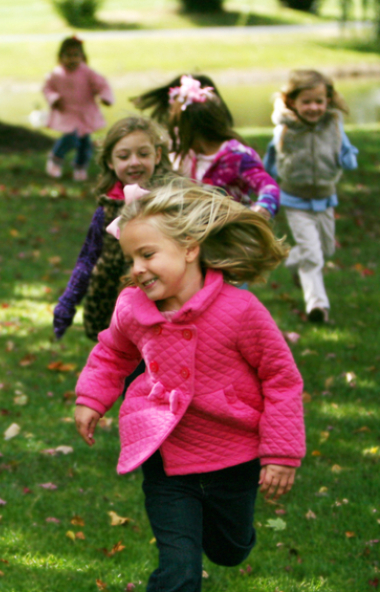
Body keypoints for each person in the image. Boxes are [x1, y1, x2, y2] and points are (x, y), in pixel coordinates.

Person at [73, 181, 305, 592]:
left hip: (232, 456)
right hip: (165, 454)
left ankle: (232, 535)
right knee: (179, 568)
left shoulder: (240, 311)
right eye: (131, 258)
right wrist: (92, 397)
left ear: (190, 248)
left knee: (229, 550)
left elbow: (280, 378)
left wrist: (281, 451)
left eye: (148, 254)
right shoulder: (132, 306)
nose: (138, 268)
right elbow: (112, 353)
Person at [54, 117, 174, 341]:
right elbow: (88, 257)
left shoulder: (170, 200)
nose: (134, 162)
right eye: (123, 156)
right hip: (110, 307)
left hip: (160, 308)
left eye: (144, 154)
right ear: (110, 161)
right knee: (116, 369)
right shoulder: (107, 206)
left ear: (157, 156)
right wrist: (68, 301)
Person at [263, 69, 358, 324]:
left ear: (328, 101)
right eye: (307, 102)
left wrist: (348, 158)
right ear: (293, 101)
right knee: (314, 256)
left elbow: (344, 146)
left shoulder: (333, 124)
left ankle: (295, 260)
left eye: (319, 101)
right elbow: (273, 156)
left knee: (324, 249)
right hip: (295, 200)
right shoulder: (285, 128)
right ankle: (318, 307)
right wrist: (265, 182)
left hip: (326, 198)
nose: (314, 107)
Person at [160, 76, 281, 219]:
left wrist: (261, 209)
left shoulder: (237, 156)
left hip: (236, 230)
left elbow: (269, 188)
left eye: (178, 127)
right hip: (207, 231)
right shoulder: (194, 157)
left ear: (191, 130)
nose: (175, 132)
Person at [42, 36, 114, 182]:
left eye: (76, 55)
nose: (72, 59)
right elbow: (47, 88)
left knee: (85, 144)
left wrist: (105, 97)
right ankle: (55, 159)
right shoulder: (56, 74)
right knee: (70, 138)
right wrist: (54, 99)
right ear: (61, 57)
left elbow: (102, 85)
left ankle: (80, 167)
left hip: (84, 113)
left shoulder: (87, 73)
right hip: (67, 113)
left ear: (82, 57)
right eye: (68, 55)